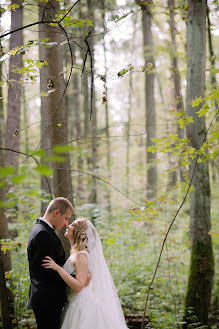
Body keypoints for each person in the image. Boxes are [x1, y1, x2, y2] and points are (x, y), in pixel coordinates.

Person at [42, 217, 129, 329]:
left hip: (81, 306)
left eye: (72, 225)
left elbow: (78, 287)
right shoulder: (75, 253)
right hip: (72, 303)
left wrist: (58, 269)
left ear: (79, 232)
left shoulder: (81, 255)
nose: (67, 225)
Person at [27, 197, 74, 329]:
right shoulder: (43, 234)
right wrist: (75, 281)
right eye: (66, 218)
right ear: (56, 212)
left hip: (48, 299)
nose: (67, 223)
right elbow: (48, 272)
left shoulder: (43, 230)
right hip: (47, 300)